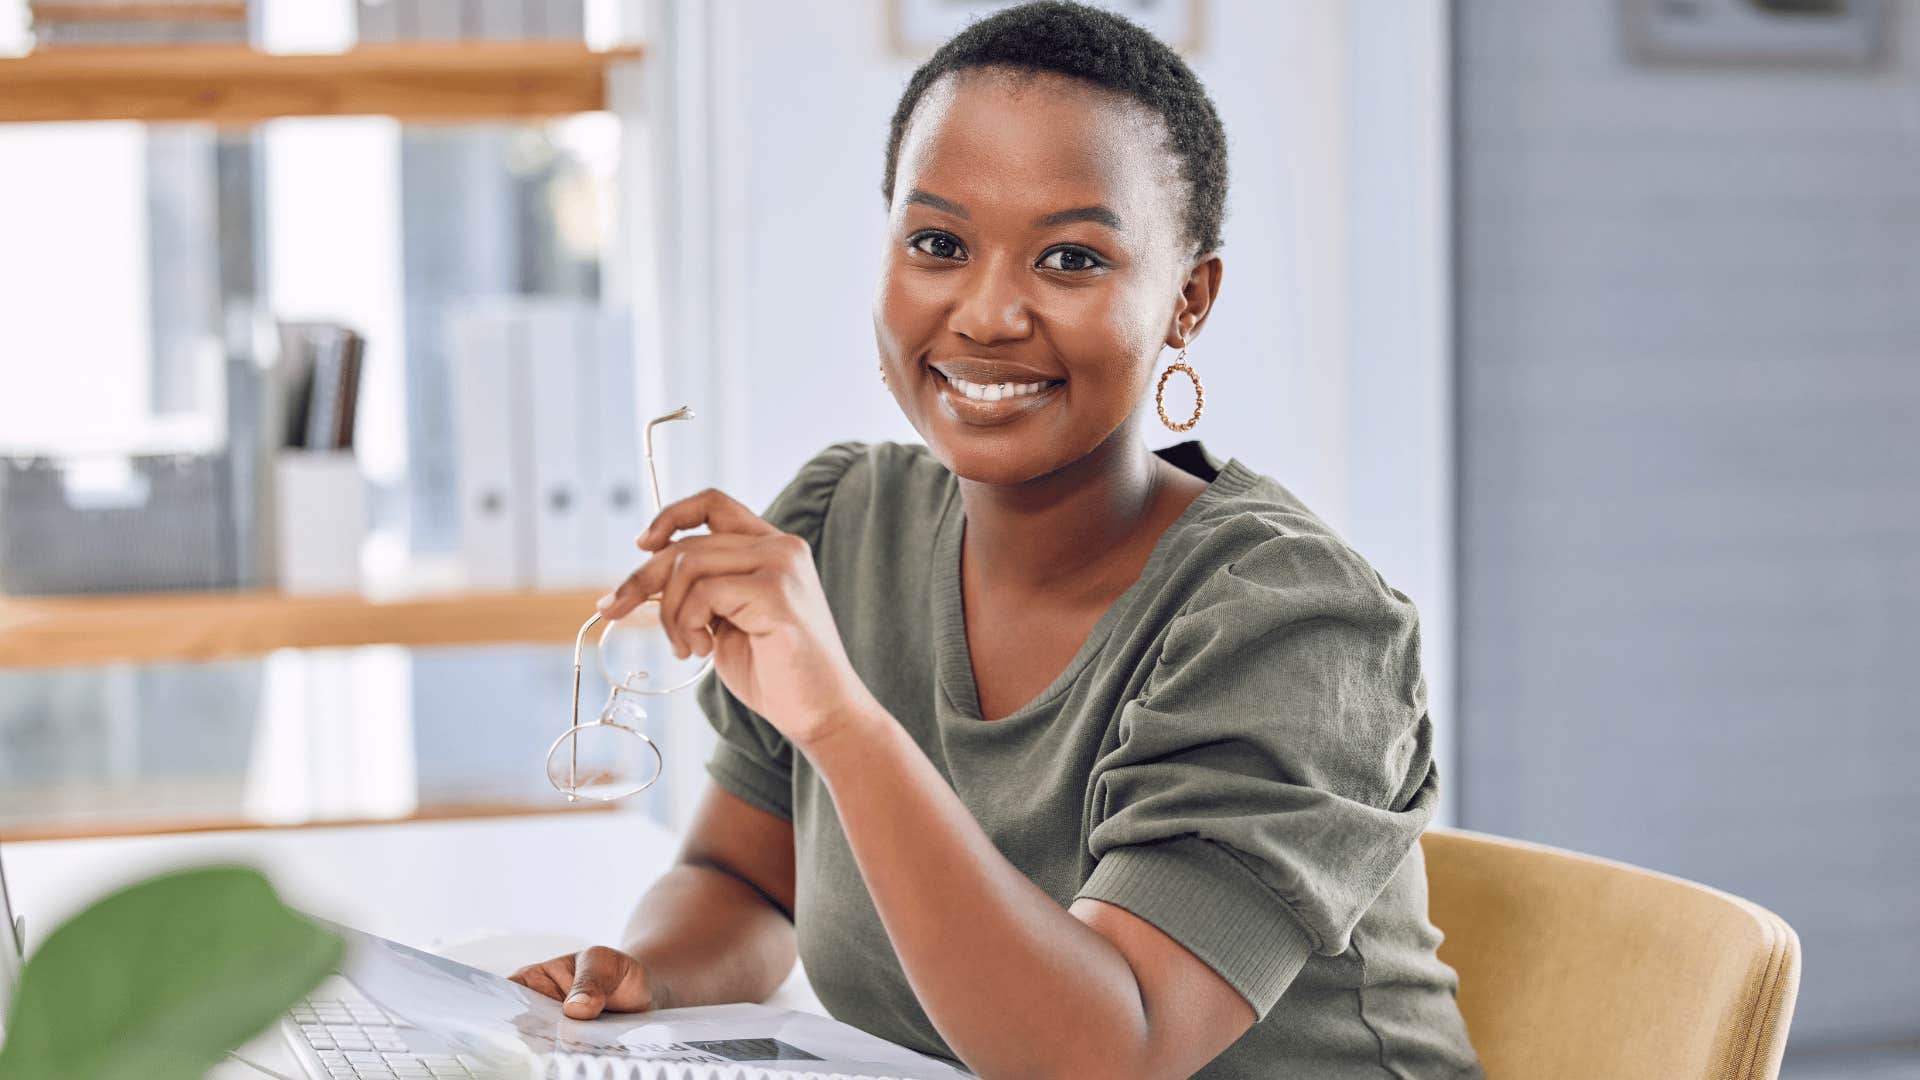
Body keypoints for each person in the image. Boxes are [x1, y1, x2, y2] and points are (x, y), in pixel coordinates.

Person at [511, 3, 1482, 1076]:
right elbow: (747, 880)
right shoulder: (842, 522)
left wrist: (842, 719)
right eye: (938, 244)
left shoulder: (1294, 624)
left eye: (1070, 259)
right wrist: (647, 971)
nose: (985, 313)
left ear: (1188, 301)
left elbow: (1110, 1051)